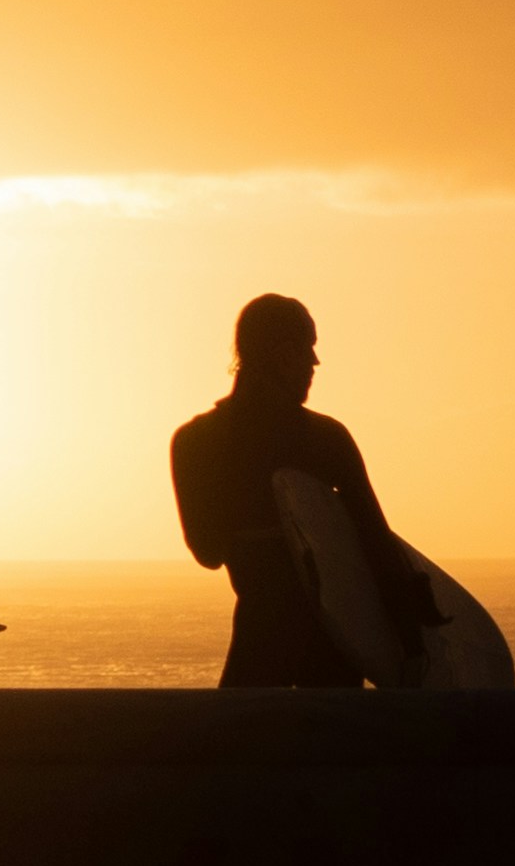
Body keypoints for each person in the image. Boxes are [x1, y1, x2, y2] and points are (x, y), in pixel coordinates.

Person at [169, 293, 429, 689]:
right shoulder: (326, 438)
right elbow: (377, 548)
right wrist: (413, 647)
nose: (314, 363)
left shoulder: (194, 442)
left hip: (258, 653)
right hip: (333, 659)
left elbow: (208, 552)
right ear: (282, 354)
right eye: (307, 349)